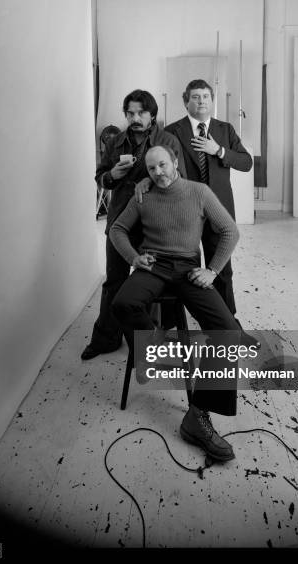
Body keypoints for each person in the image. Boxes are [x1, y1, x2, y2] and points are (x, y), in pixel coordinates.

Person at [109, 145, 246, 462]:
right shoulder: (143, 195)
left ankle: (197, 417)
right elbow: (117, 229)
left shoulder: (199, 192)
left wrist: (212, 270)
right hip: (153, 265)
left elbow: (229, 230)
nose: (158, 173)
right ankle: (155, 353)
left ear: (175, 163)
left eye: (163, 165)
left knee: (226, 330)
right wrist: (133, 258)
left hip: (187, 267)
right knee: (123, 304)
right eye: (152, 169)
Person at [81, 90, 185, 361]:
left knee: (150, 283)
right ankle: (106, 339)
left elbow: (179, 178)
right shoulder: (115, 141)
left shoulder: (167, 140)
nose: (135, 118)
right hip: (119, 224)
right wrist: (111, 176)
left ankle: (149, 343)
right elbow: (100, 177)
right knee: (114, 281)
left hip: (154, 225)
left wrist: (150, 180)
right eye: (130, 113)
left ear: (152, 114)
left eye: (141, 113)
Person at [164, 79, 253, 337]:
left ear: (212, 100)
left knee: (222, 270)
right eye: (195, 97)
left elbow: (246, 162)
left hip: (218, 210)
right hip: (185, 212)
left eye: (205, 96)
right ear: (186, 101)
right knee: (182, 270)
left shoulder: (225, 130)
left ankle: (229, 325)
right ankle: (177, 325)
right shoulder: (172, 131)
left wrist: (220, 151)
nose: (201, 101)